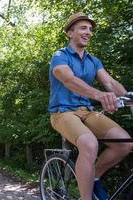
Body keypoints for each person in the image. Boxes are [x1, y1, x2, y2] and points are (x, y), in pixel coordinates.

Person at [48, 12, 133, 200]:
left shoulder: (93, 61)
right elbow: (68, 80)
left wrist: (129, 98)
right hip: (62, 112)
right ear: (70, 33)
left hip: (87, 112)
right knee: (89, 144)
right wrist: (99, 95)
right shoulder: (60, 56)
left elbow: (110, 83)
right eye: (83, 28)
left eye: (90, 29)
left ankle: (93, 177)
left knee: (125, 143)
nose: (89, 32)